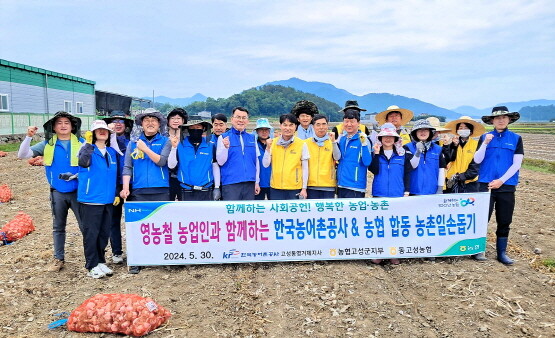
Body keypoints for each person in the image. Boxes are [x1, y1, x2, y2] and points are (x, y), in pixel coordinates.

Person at [17, 111, 84, 272]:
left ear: (72, 126)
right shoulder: (48, 144)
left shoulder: (82, 143)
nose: (63, 125)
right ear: (53, 127)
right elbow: (22, 154)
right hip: (57, 192)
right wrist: (28, 137)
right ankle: (58, 258)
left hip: (78, 191)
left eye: (66, 123)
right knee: (58, 227)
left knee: (85, 226)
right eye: (59, 123)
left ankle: (93, 257)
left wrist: (76, 175)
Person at [120, 109, 171, 274]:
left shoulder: (165, 141)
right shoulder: (132, 143)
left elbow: (162, 161)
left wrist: (145, 149)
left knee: (162, 226)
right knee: (139, 227)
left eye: (154, 120)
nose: (150, 123)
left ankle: (162, 257)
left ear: (159, 124)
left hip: (161, 189)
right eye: (146, 120)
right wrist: (126, 187)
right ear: (141, 124)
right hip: (139, 190)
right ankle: (136, 259)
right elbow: (127, 166)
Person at [473, 106, 523, 265]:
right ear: (492, 121)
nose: (501, 120)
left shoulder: (516, 138)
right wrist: (485, 144)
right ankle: (478, 249)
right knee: (482, 218)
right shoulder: (484, 137)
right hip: (485, 184)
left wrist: (501, 180)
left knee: (504, 219)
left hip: (506, 185)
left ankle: (501, 252)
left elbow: (517, 164)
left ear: (509, 120)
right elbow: (477, 160)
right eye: (497, 118)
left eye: (504, 117)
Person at [77, 120, 120, 278]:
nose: (102, 132)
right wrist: (88, 144)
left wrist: (116, 192)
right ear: (93, 133)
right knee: (91, 233)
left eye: (105, 130)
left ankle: (101, 261)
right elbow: (83, 162)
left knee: (103, 233)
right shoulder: (86, 149)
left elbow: (115, 175)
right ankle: (91, 265)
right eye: (98, 130)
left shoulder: (111, 152)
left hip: (107, 200)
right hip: (90, 199)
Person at [102, 110, 133, 264]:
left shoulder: (132, 142)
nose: (117, 124)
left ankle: (136, 251)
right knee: (113, 220)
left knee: (134, 218)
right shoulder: (103, 143)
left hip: (131, 185)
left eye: (121, 121)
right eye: (114, 121)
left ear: (126, 125)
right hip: (111, 185)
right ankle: (116, 252)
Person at [168, 116, 220, 201]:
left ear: (203, 128)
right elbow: (171, 165)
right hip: (185, 189)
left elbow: (215, 165)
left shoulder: (210, 145)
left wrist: (217, 187)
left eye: (198, 127)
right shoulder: (180, 145)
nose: (195, 129)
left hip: (206, 188)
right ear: (188, 129)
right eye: (192, 127)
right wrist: (174, 148)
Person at [216, 107, 260, 200]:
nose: (241, 120)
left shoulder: (252, 138)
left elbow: (256, 161)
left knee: (247, 212)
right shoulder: (224, 137)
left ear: (247, 120)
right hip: (231, 183)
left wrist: (257, 182)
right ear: (232, 119)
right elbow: (220, 162)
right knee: (231, 212)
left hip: (249, 182)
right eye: (238, 117)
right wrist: (225, 148)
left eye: (244, 118)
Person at [263, 114, 310, 199]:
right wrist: (267, 148)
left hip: (294, 188)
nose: (288, 128)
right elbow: (266, 164)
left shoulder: (302, 144)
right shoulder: (273, 143)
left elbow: (305, 168)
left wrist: (304, 188)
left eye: (291, 125)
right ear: (280, 126)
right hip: (276, 187)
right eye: (285, 125)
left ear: (295, 127)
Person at [369, 123, 412, 199]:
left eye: (391, 136)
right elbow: (374, 170)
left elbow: (407, 173)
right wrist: (377, 154)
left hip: (398, 194)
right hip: (379, 193)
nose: (388, 139)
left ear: (395, 138)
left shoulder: (402, 154)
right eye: (385, 136)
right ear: (380, 138)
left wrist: (407, 191)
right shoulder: (375, 153)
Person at [443, 116, 485, 193]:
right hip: (451, 181)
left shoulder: (476, 145)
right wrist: (453, 146)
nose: (463, 130)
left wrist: (461, 176)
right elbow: (447, 160)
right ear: (457, 130)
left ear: (471, 130)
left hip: (470, 183)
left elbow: (475, 166)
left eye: (466, 127)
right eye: (460, 128)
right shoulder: (452, 144)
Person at [404, 119, 446, 195]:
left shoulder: (438, 149)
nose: (423, 132)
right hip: (412, 191)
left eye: (426, 130)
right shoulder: (407, 147)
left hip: (432, 191)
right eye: (419, 130)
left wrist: (440, 189)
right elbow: (411, 166)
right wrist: (418, 152)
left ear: (430, 132)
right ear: (415, 132)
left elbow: (441, 170)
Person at [336, 109, 372, 198]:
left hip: (355, 186)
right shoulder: (342, 139)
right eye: (346, 121)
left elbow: (367, 162)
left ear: (358, 123)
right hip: (341, 185)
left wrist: (363, 144)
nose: (349, 124)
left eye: (352, 122)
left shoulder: (363, 139)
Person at [305, 114, 341, 199]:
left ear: (327, 126)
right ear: (313, 126)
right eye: (318, 124)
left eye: (324, 124)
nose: (321, 127)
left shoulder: (332, 143)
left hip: (328, 185)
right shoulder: (306, 143)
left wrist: (333, 142)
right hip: (310, 185)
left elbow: (337, 157)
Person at [166, 108, 188, 201]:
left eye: (178, 118)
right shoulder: (163, 137)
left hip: (183, 175)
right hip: (167, 176)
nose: (175, 121)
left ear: (183, 121)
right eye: (172, 118)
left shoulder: (188, 138)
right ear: (168, 121)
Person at [253, 118, 273, 200]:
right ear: (257, 131)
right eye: (261, 130)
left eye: (266, 130)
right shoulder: (253, 145)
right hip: (258, 183)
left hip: (272, 183)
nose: (264, 132)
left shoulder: (275, 144)